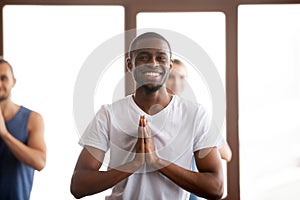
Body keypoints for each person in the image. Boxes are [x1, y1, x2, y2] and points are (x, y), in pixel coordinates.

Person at [70, 32, 224, 199]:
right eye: (144, 57)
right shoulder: (109, 115)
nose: (153, 63)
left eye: (161, 58)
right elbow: (78, 186)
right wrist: (134, 164)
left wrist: (156, 161)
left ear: (170, 65)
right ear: (130, 64)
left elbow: (216, 188)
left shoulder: (195, 115)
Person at [167, 58, 232, 200]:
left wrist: (198, 139)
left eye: (182, 77)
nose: (176, 82)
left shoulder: (194, 114)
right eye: (171, 76)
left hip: (192, 191)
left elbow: (227, 153)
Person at [0, 58, 47, 200]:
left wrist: (5, 134)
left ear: (13, 81)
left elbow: (40, 162)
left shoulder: (33, 119)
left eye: (3, 78)